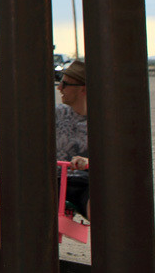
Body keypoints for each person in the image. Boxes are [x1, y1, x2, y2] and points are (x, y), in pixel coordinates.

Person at [55, 60, 89, 219]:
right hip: (53, 182)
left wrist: (87, 161)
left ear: (83, 89)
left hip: (85, 185)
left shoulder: (104, 122)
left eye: (65, 84)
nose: (59, 88)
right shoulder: (56, 114)